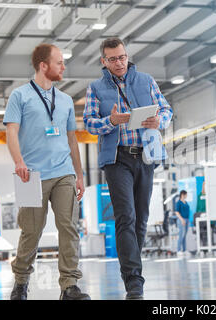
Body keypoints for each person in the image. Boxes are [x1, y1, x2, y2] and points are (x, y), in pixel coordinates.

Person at [83, 37, 173, 300]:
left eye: (122, 57)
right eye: (112, 59)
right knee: (126, 217)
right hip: (117, 160)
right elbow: (89, 123)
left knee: (141, 219)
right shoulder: (95, 88)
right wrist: (110, 120)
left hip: (145, 156)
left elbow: (167, 109)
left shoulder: (146, 81)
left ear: (126, 55)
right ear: (104, 61)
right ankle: (134, 282)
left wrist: (160, 120)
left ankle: (134, 270)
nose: (119, 62)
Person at [4, 44, 90, 300]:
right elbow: (11, 132)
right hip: (31, 175)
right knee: (31, 231)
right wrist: (18, 161)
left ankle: (69, 285)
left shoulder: (64, 100)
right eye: (59, 62)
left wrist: (79, 175)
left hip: (64, 172)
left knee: (69, 227)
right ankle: (21, 281)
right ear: (43, 65)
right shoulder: (19, 96)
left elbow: (72, 139)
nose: (64, 67)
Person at [175, 190, 190, 256]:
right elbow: (177, 212)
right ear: (183, 194)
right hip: (181, 220)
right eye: (186, 194)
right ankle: (178, 250)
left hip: (187, 220)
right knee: (181, 235)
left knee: (184, 236)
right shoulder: (179, 203)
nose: (186, 196)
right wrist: (182, 220)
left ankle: (184, 250)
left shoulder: (186, 202)